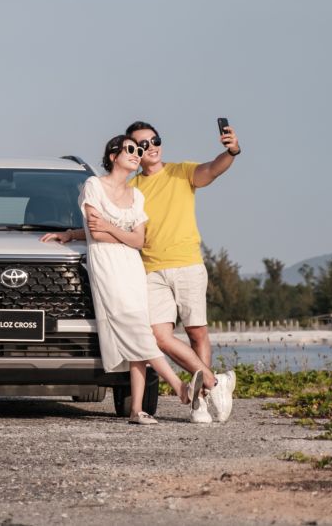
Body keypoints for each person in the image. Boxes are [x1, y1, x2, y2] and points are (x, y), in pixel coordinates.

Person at [43, 120, 240, 423]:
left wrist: (231, 152)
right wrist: (71, 234)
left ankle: (201, 397)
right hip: (147, 269)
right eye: (139, 145)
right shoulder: (131, 188)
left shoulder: (180, 172)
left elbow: (213, 169)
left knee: (196, 332)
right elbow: (106, 223)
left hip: (186, 262)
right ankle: (210, 384)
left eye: (154, 141)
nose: (148, 148)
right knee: (157, 336)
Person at [79, 135, 203, 425]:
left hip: (132, 267)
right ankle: (179, 387)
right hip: (107, 265)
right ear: (113, 156)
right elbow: (95, 234)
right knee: (136, 329)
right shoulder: (94, 185)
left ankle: (136, 410)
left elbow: (139, 241)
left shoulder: (137, 195)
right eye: (131, 149)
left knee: (139, 330)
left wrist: (110, 226)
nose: (138, 154)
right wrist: (119, 233)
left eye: (140, 150)